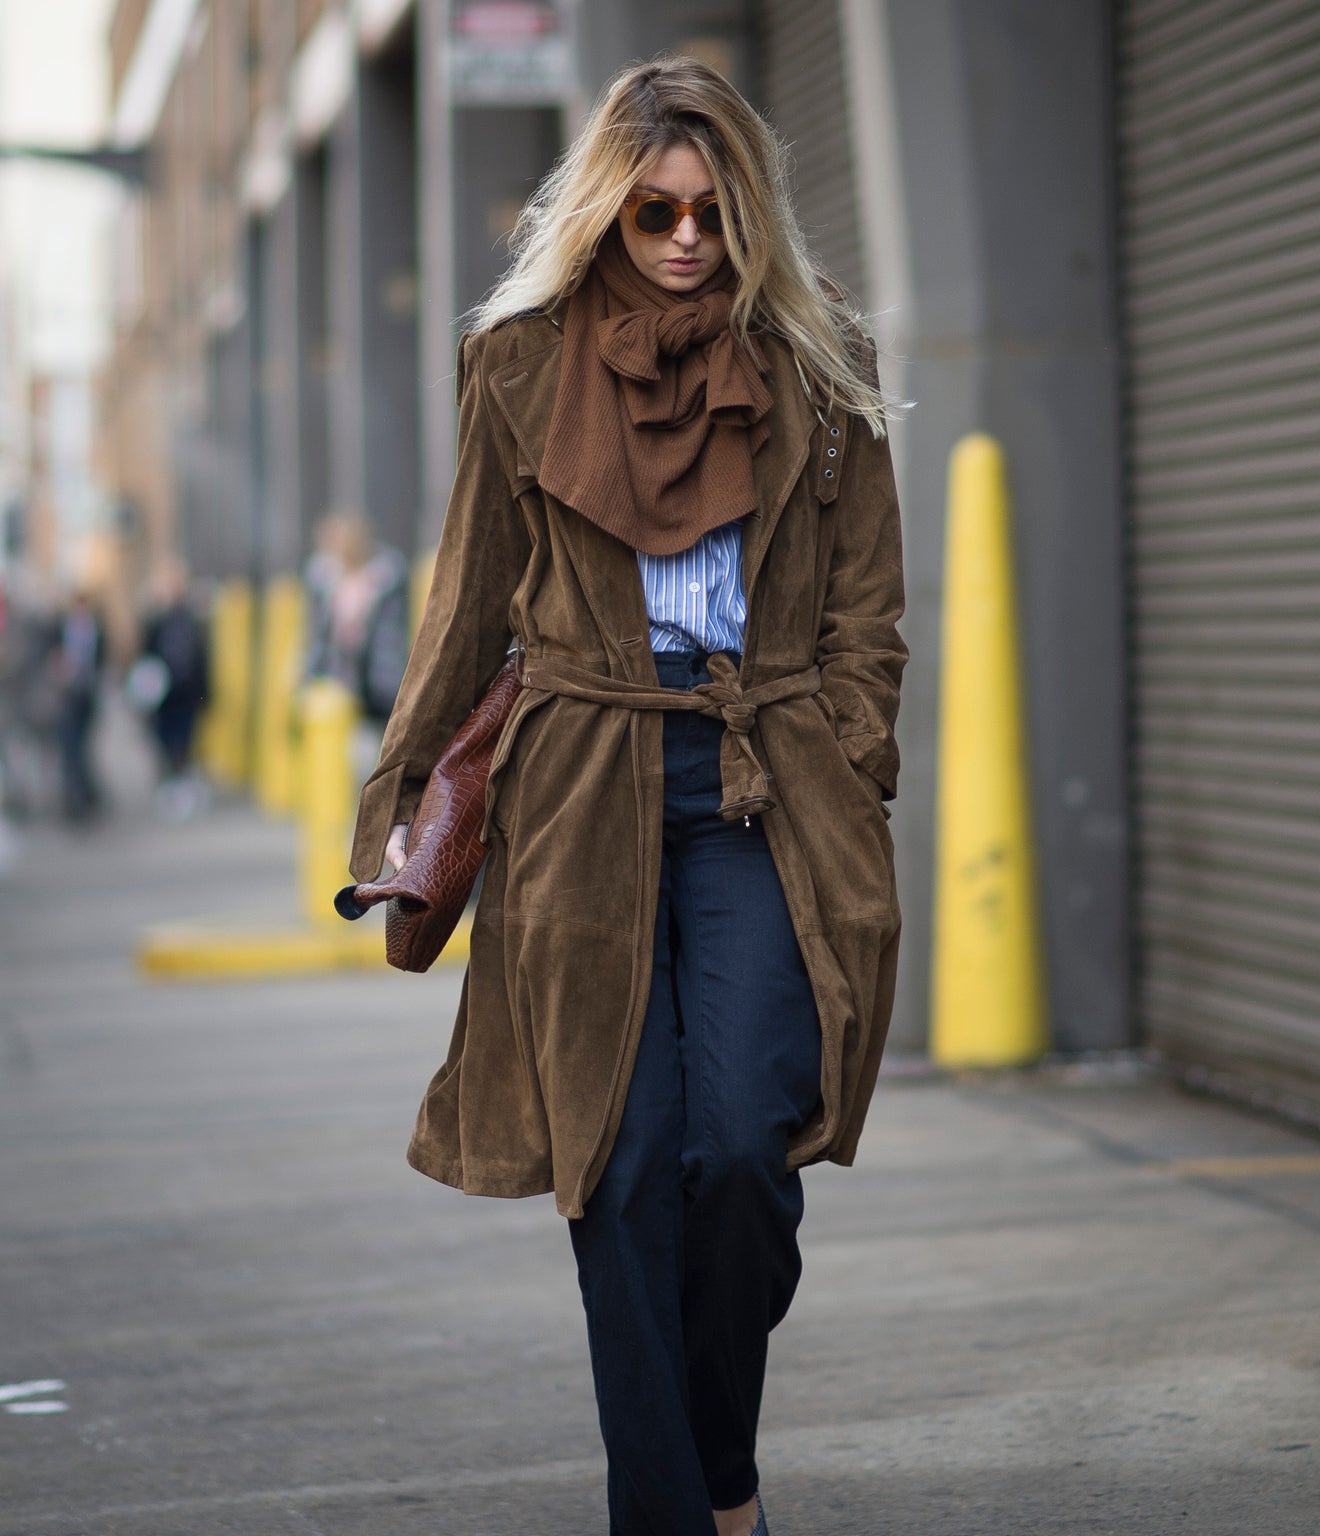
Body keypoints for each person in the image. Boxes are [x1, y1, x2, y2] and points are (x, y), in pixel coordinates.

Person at [347, 54, 906, 1536]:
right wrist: (400, 810)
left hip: (763, 789)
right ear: (607, 211)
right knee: (621, 1159)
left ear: (749, 219)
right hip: (577, 793)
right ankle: (679, 1512)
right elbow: (467, 603)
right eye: (653, 211)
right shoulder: (521, 364)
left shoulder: (817, 361)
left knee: (742, 1152)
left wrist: (849, 754)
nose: (680, 240)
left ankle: (717, 1461)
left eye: (710, 216)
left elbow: (870, 614)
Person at [304, 512, 410, 724]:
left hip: (376, 685)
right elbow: (317, 636)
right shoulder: (326, 581)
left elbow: (389, 639)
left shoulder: (384, 578)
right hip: (337, 680)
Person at [138, 560, 210, 818]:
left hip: (186, 693)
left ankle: (181, 790)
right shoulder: (156, 620)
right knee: (167, 742)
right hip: (164, 695)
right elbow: (146, 656)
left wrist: (206, 694)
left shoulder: (191, 619)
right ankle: (171, 788)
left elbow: (202, 658)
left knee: (184, 744)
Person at [49, 587, 106, 824]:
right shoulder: (61, 628)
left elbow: (103, 658)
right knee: (71, 750)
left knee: (83, 748)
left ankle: (86, 797)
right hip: (67, 697)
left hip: (87, 696)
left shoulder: (96, 629)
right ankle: (76, 801)